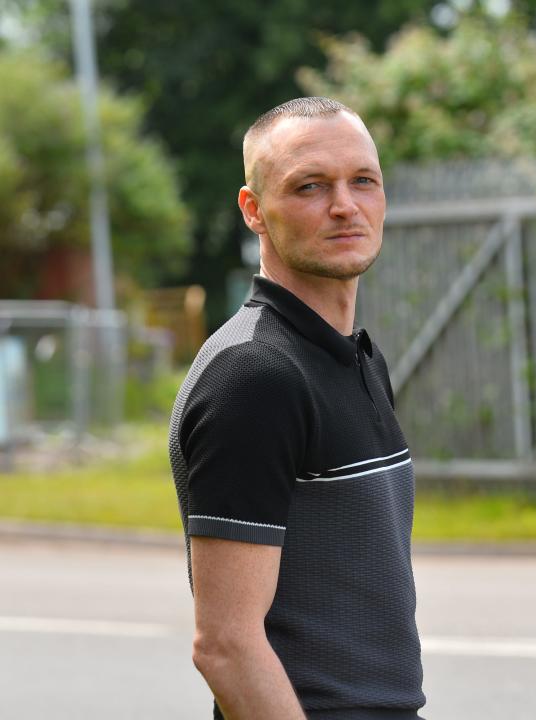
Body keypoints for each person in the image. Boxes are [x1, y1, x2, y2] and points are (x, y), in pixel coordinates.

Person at [168, 96, 426, 720]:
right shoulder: (253, 377)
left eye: (363, 180)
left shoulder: (354, 356)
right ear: (254, 210)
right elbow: (226, 646)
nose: (345, 205)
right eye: (310, 186)